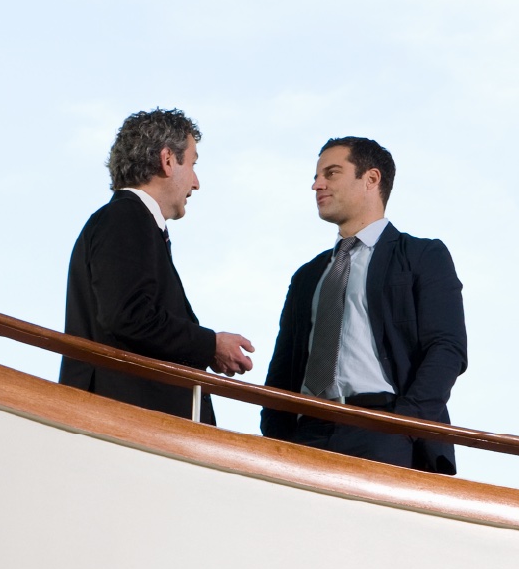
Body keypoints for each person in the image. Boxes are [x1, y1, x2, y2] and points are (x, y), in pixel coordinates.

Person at [262, 137, 466, 473]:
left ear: (371, 179)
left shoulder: (422, 256)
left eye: (331, 173)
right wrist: (277, 434)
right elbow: (283, 368)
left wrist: (404, 425)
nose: (317, 185)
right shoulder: (308, 276)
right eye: (316, 176)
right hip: (305, 433)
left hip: (384, 431)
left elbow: (447, 348)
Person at [60, 108, 254, 423]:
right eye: (192, 164)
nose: (196, 183)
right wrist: (210, 345)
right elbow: (129, 316)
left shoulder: (129, 220)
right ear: (167, 160)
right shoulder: (125, 217)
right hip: (126, 423)